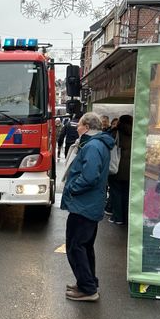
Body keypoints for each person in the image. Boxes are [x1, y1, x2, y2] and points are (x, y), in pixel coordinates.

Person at [60, 111, 115, 302]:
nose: (77, 127)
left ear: (88, 127)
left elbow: (89, 176)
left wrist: (72, 188)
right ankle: (87, 282)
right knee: (85, 246)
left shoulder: (92, 146)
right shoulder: (100, 144)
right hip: (90, 204)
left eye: (80, 124)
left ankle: (88, 288)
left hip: (83, 204)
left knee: (76, 246)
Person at [109, 115, 133, 225]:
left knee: (116, 193)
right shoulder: (136, 133)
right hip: (131, 169)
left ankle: (117, 217)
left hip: (116, 167)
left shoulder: (115, 133)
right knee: (127, 194)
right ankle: (127, 217)